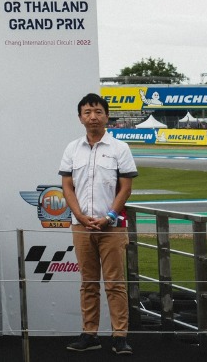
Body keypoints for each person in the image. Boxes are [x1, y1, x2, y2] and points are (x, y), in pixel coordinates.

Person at [60, 93, 137, 354]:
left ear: (106, 116)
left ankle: (120, 336)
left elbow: (126, 188)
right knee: (88, 283)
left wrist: (109, 217)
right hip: (81, 226)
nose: (93, 117)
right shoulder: (72, 149)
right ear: (80, 118)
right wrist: (81, 217)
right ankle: (89, 333)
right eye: (87, 112)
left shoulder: (120, 148)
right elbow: (67, 187)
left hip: (112, 227)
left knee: (115, 283)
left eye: (98, 112)